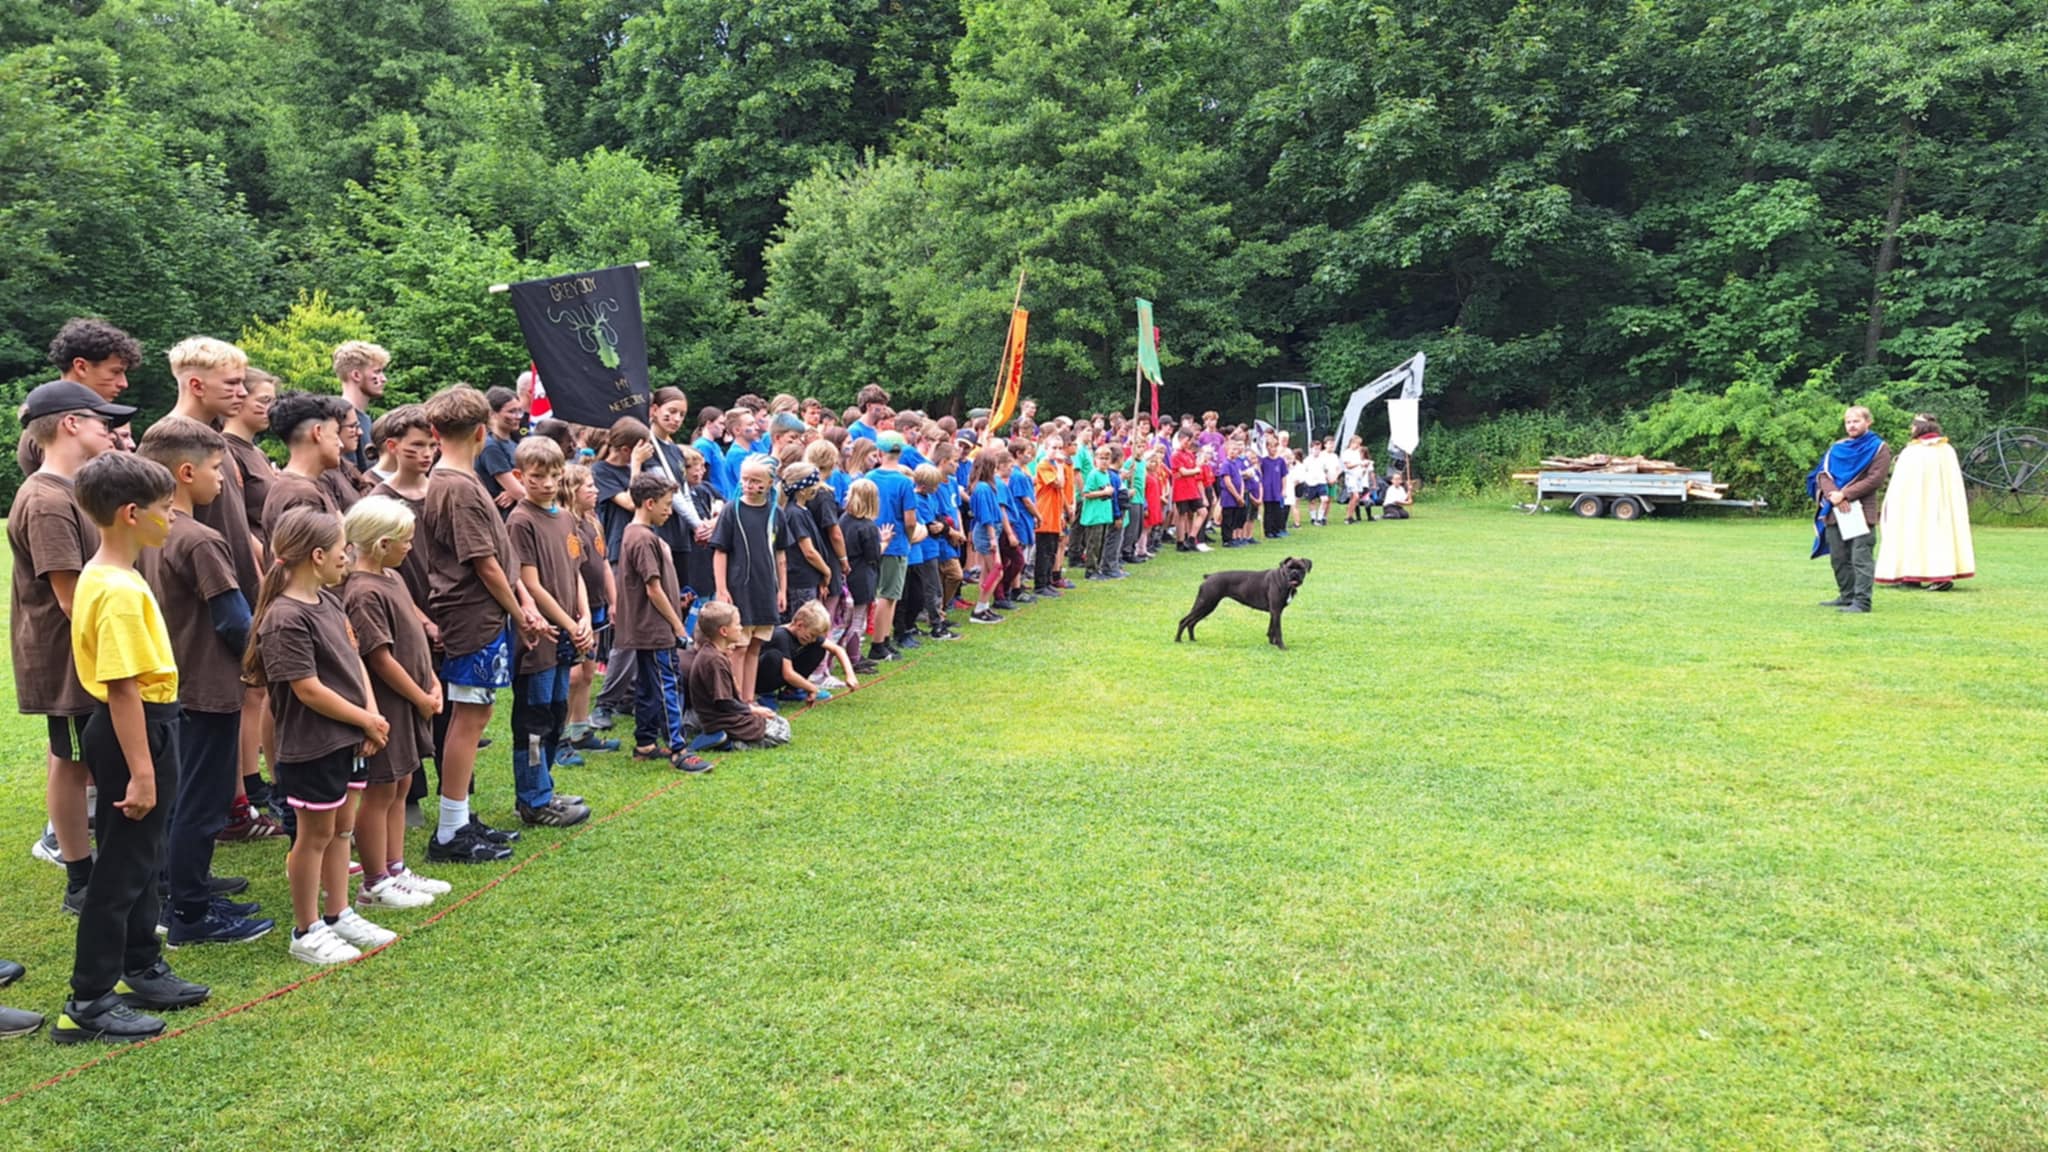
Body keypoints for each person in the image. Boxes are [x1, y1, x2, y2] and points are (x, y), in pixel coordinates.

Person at [54, 451, 214, 1044]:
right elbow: (122, 688)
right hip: (135, 730)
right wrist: (142, 773)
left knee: (143, 858)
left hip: (146, 725)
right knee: (120, 869)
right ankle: (88, 1000)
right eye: (165, 509)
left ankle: (140, 964)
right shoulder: (117, 589)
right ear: (130, 514)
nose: (172, 517)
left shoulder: (110, 574)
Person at [133, 421, 274, 947]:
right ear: (186, 472)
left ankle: (180, 891)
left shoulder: (150, 532)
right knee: (203, 802)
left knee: (181, 799)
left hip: (171, 685)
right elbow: (235, 622)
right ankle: (191, 914)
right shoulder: (200, 539)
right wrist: (271, 664)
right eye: (217, 469)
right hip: (208, 688)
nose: (222, 479)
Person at [247, 507, 397, 965]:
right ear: (316, 556)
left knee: (341, 828)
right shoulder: (284, 618)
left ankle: (338, 912)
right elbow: (307, 689)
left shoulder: (329, 601)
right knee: (314, 836)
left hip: (348, 739)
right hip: (313, 745)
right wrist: (364, 719)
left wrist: (370, 715)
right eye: (340, 550)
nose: (346, 557)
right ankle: (306, 928)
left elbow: (355, 662)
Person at [420, 386, 550, 863]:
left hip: (482, 614)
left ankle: (460, 817)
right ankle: (449, 833)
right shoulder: (455, 487)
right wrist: (520, 613)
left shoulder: (460, 480)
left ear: (434, 431)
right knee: (468, 716)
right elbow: (485, 564)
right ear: (481, 432)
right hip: (472, 616)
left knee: (478, 712)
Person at [12, 381, 129, 912]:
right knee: (74, 760)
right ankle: (81, 879)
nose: (111, 429)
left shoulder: (72, 490)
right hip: (70, 659)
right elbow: (71, 598)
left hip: (90, 654)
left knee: (88, 757)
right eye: (102, 420)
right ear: (69, 424)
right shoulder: (46, 499)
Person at [340, 498, 447, 911]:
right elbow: (379, 657)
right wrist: (419, 697)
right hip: (389, 705)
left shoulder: (393, 579)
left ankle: (395, 867)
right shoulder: (363, 592)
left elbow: (413, 639)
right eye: (406, 540)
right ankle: (375, 882)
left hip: (410, 702)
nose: (411, 547)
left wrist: (431, 680)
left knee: (402, 783)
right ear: (382, 543)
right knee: (381, 789)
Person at [505, 437, 595, 828]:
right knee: (534, 720)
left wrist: (585, 617)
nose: (546, 484)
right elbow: (530, 583)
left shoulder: (566, 518)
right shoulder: (520, 521)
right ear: (520, 476)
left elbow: (576, 573)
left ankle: (544, 786)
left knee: (557, 712)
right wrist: (569, 624)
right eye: (537, 477)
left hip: (568, 635)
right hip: (540, 639)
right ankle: (533, 799)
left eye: (554, 476)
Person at [615, 472, 711, 772]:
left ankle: (645, 743)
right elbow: (653, 588)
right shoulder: (643, 538)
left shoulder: (636, 533)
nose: (670, 511)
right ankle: (678, 749)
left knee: (648, 685)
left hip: (647, 627)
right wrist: (678, 626)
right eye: (667, 504)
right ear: (649, 503)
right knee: (668, 685)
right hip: (655, 629)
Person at [712, 454, 784, 703]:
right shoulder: (732, 511)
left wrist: (781, 589)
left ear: (770, 483)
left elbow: (781, 555)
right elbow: (720, 551)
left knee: (755, 646)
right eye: (745, 480)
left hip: (765, 590)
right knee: (739, 647)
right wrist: (722, 588)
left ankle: (748, 698)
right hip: (739, 590)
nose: (749, 485)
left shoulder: (776, 514)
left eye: (756, 481)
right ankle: (736, 701)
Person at [1875, 413, 1975, 591]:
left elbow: (1903, 483)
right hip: (1933, 505)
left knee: (1922, 535)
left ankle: (1938, 576)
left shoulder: (1917, 451)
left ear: (1919, 427)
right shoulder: (1944, 450)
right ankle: (1911, 574)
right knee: (1927, 535)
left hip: (1919, 505)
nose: (1911, 428)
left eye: (1913, 425)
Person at [1808, 405, 1892, 614]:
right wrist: (1834, 496)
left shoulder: (1878, 448)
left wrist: (1845, 494)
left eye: (1856, 421)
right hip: (1835, 510)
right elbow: (1823, 474)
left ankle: (1862, 602)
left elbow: (1874, 479)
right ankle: (1847, 597)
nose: (1851, 425)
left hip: (1860, 511)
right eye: (1848, 422)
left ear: (1868, 422)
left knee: (1860, 558)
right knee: (1839, 557)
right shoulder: (1837, 448)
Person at [560, 464, 620, 754]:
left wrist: (614, 600)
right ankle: (559, 736)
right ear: (572, 490)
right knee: (571, 675)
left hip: (596, 607)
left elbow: (604, 563)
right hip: (575, 610)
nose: (596, 491)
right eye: (589, 486)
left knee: (586, 673)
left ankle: (580, 730)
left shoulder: (593, 521)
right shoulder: (565, 523)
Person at [688, 602, 790, 749]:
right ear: (724, 631)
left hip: (729, 717)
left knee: (777, 721)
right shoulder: (714, 660)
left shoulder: (714, 654)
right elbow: (724, 703)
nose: (741, 628)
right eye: (737, 624)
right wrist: (753, 710)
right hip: (723, 721)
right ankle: (726, 741)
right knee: (782, 731)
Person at [866, 434, 921, 661]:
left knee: (886, 595)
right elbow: (910, 520)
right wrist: (909, 538)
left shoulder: (869, 477)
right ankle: (878, 644)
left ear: (880, 453)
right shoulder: (904, 482)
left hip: (872, 539)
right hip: (895, 542)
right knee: (888, 595)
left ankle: (884, 639)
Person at [261, 391, 344, 532]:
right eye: (336, 433)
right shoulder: (302, 496)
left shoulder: (295, 487)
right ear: (317, 433)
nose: (340, 444)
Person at [756, 600, 857, 703]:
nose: (813, 639)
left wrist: (850, 675)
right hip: (760, 678)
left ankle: (792, 691)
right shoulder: (781, 636)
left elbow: (838, 649)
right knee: (774, 657)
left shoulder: (807, 634)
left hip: (782, 675)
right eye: (812, 635)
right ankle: (766, 694)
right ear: (800, 625)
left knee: (818, 648)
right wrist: (812, 688)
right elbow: (788, 674)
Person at [836, 478, 884, 665]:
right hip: (862, 576)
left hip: (846, 575)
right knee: (857, 619)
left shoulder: (844, 519)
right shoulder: (868, 526)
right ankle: (854, 657)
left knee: (845, 618)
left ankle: (848, 655)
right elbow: (873, 555)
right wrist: (884, 542)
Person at [333, 341, 388, 472]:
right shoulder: (340, 418)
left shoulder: (365, 419)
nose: (384, 379)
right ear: (356, 375)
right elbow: (348, 474)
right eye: (377, 372)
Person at [475, 385, 527, 515]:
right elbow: (520, 493)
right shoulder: (490, 446)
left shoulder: (515, 441)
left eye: (520, 411)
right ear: (492, 414)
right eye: (511, 412)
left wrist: (515, 488)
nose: (518, 416)